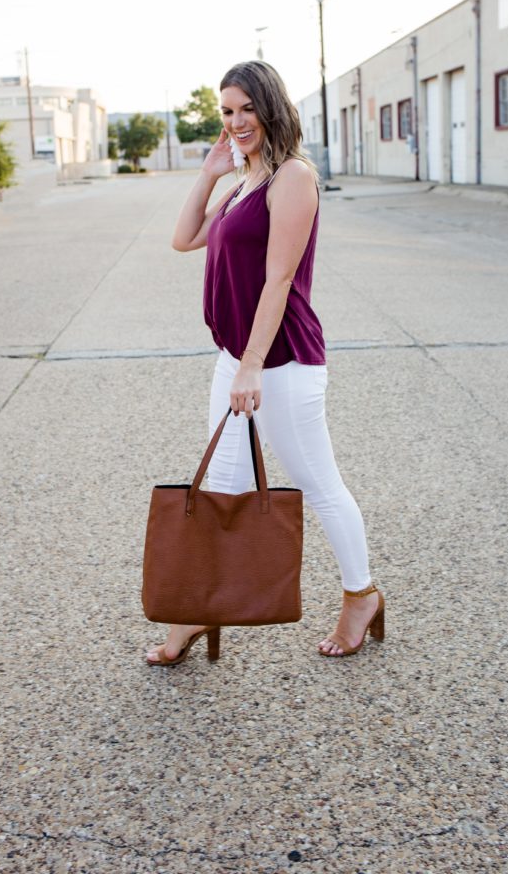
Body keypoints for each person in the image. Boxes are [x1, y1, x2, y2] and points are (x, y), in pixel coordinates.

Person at [146, 60, 384, 666]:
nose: (236, 121)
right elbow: (183, 238)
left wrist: (252, 366)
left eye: (245, 107)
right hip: (238, 356)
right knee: (220, 486)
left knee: (317, 483)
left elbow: (279, 280)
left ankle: (362, 596)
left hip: (281, 362)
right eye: (226, 111)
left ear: (270, 106)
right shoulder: (245, 179)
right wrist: (208, 174)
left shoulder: (293, 178)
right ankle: (195, 613)